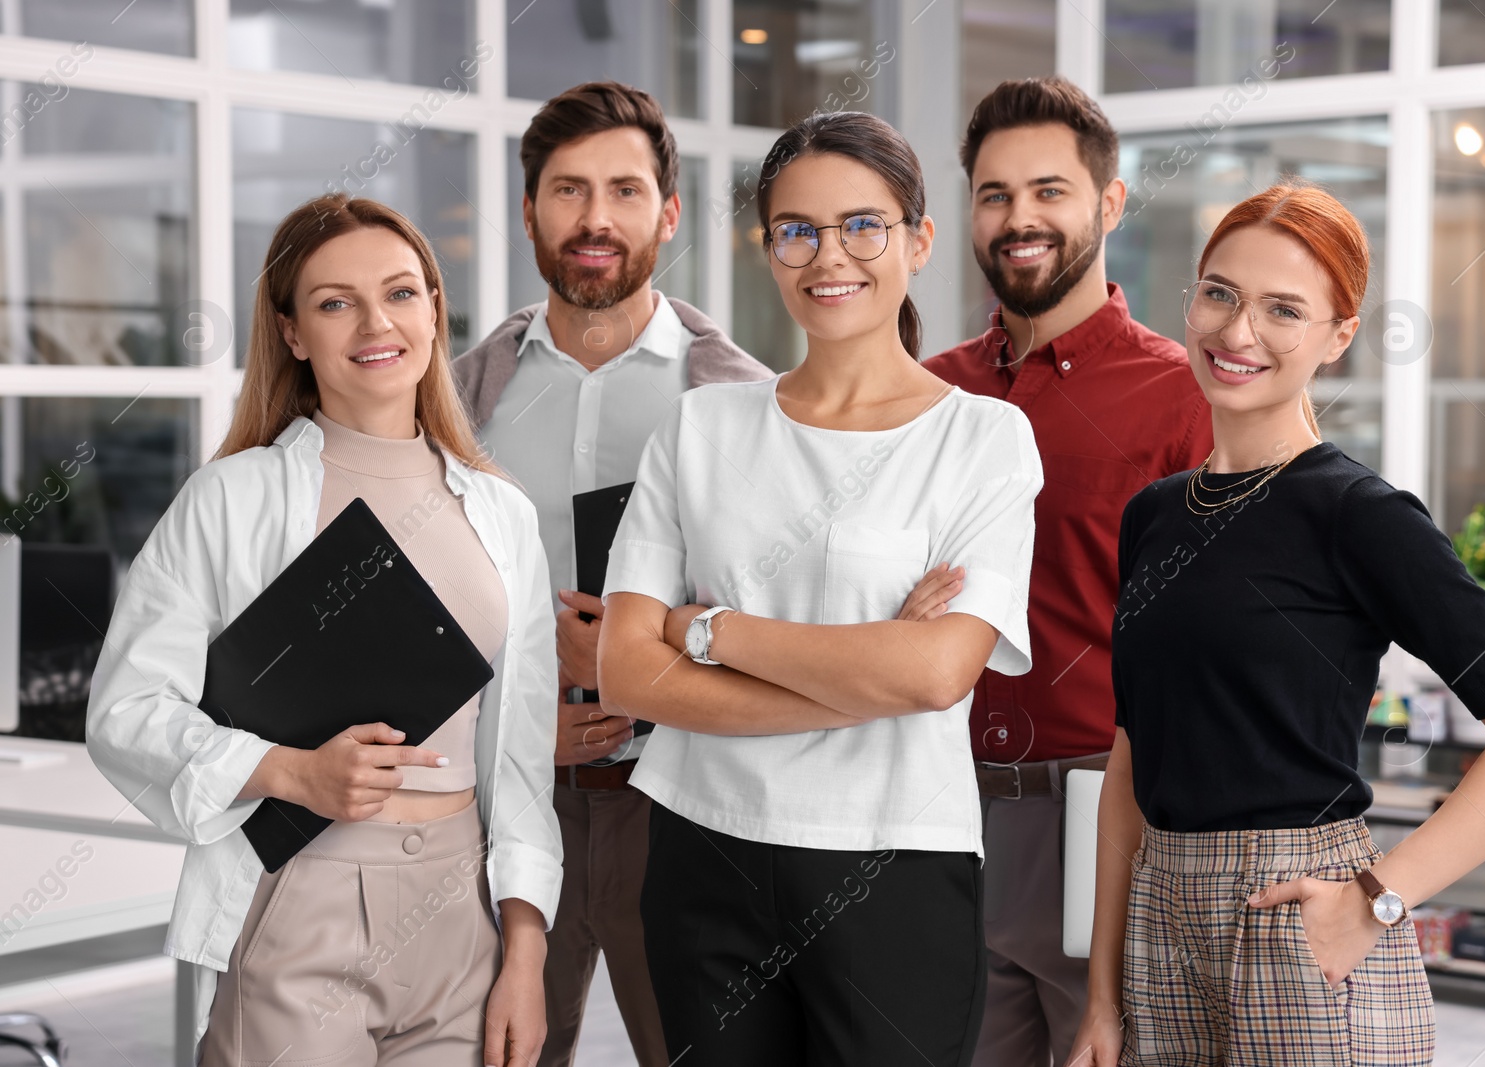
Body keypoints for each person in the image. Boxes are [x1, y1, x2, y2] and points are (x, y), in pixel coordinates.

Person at [1068, 180, 1485, 1066]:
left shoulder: (1359, 513)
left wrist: (1376, 898)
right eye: (1220, 293)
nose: (1238, 333)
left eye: (1284, 309)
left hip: (1297, 915)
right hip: (1160, 918)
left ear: (1338, 337)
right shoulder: (1154, 514)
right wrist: (1103, 1000)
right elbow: (1130, 757)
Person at [595, 110, 1043, 1067]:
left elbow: (933, 675)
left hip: (894, 861)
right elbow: (628, 672)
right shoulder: (699, 429)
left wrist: (707, 630)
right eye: (796, 229)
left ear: (919, 241)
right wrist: (860, 680)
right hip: (700, 848)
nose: (828, 254)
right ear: (769, 249)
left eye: (863, 225)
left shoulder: (984, 440)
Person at [86, 194, 564, 1067]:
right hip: (302, 898)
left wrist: (525, 949)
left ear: (433, 311)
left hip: (463, 911)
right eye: (335, 301)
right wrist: (288, 769)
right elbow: (126, 709)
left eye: (402, 293)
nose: (377, 322)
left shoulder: (502, 513)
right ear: (293, 333)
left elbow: (524, 754)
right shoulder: (233, 498)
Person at [453, 80, 771, 1067]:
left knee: (696, 1050)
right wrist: (507, 726)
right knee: (493, 1052)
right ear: (529, 210)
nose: (596, 219)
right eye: (568, 191)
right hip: (506, 796)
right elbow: (420, 601)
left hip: (675, 796)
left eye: (625, 191)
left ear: (667, 212)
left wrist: (648, 647)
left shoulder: (744, 401)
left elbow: (781, 611)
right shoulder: (460, 397)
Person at [920, 76, 1212, 1064]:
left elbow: (1214, 644)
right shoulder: (930, 393)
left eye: (1049, 190)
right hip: (938, 804)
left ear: (1109, 202)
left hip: (1099, 809)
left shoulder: (1182, 396)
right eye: (994, 194)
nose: (1019, 218)